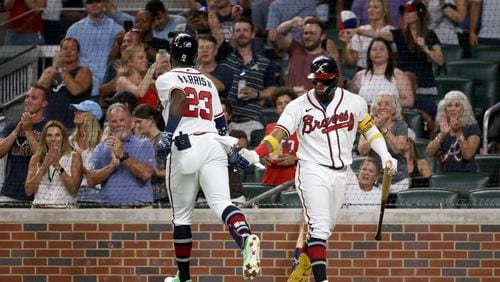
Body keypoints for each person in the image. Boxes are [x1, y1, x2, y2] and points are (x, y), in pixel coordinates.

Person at [237, 55, 397, 282]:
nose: (318, 85)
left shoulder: (355, 102)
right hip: (312, 170)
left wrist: (385, 154)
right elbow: (278, 134)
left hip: (342, 173)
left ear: (335, 79)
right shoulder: (298, 105)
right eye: (315, 80)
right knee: (320, 228)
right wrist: (256, 153)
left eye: (323, 80)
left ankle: (299, 274)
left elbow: (369, 130)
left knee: (323, 230)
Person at [155, 33, 261, 282]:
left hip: (185, 144)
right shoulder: (208, 81)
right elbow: (220, 122)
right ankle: (245, 239)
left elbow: (179, 97)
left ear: (171, 56)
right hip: (214, 143)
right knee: (223, 204)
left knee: (181, 216)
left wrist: (167, 135)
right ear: (194, 56)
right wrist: (229, 150)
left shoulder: (166, 77)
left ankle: (184, 277)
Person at [356, 0, 444, 96]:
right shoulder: (399, 34)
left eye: (410, 11)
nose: (406, 14)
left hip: (426, 85)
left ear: (419, 13)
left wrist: (425, 48)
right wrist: (356, 31)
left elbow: (440, 60)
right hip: (404, 86)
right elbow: (376, 34)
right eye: (404, 12)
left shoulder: (430, 35)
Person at [219, 17, 282, 142]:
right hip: (227, 122)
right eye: (238, 30)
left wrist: (257, 94)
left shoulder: (265, 63)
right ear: (233, 34)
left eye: (245, 30)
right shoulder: (225, 59)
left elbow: (274, 90)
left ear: (252, 34)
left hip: (253, 121)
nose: (242, 33)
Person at [86, 103, 155, 207]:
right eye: (114, 121)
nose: (118, 124)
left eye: (122, 120)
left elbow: (146, 174)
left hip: (139, 209)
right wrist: (111, 166)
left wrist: (123, 155)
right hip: (109, 210)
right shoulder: (100, 148)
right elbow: (90, 181)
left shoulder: (144, 144)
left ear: (130, 122)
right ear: (109, 125)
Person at [0, 84, 49, 203]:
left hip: (37, 194)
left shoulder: (49, 128)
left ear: (44, 103)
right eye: (27, 97)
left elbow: (42, 157)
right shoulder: (12, 125)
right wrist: (16, 131)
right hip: (9, 192)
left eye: (34, 98)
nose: (28, 101)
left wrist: (28, 131)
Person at [66, 0, 123, 97]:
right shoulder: (74, 30)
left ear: (104, 3)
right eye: (90, 2)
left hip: (109, 84)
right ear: (85, 5)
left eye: (98, 1)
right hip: (83, 85)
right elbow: (66, 57)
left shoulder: (117, 29)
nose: (94, 4)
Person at [357, 91, 410, 192]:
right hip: (375, 181)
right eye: (379, 104)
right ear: (374, 108)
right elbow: (362, 150)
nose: (383, 107)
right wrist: (374, 129)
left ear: (394, 109)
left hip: (398, 181)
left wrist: (384, 129)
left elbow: (398, 149)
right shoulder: (367, 125)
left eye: (387, 104)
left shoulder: (401, 125)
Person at [37, 37, 93, 131]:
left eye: (72, 49)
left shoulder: (84, 71)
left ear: (78, 53)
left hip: (73, 127)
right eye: (65, 48)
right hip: (49, 127)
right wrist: (53, 70)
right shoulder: (50, 72)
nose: (68, 51)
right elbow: (37, 93)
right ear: (60, 52)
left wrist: (62, 69)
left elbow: (75, 90)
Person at [25, 120, 83, 208]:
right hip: (39, 209)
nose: (53, 139)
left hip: (64, 209)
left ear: (63, 137)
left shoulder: (74, 157)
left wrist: (57, 165)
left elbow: (73, 189)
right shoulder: (36, 159)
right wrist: (43, 167)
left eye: (57, 135)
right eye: (49, 135)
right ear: (44, 138)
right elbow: (28, 191)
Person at [276, 16, 341, 93]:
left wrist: (309, 95)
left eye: (312, 33)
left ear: (322, 37)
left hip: (314, 103)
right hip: (291, 101)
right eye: (306, 33)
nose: (308, 36)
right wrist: (292, 23)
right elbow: (280, 32)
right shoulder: (294, 48)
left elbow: (335, 88)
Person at [348, 37, 414, 108]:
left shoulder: (399, 75)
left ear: (388, 54)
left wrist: (385, 104)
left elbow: (409, 101)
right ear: (369, 54)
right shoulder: (359, 76)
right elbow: (350, 101)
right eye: (374, 49)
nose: (377, 52)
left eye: (381, 49)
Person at [425, 91, 480, 172]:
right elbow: (429, 153)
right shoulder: (442, 127)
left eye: (457, 105)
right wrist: (442, 134)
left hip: (467, 176)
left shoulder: (472, 127)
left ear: (464, 108)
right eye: (449, 105)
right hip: (444, 176)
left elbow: (468, 155)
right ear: (445, 109)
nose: (452, 109)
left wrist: (459, 133)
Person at [339, 0, 393, 70]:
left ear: (384, 12)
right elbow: (351, 64)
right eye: (369, 7)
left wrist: (357, 31)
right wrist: (345, 44)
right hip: (363, 71)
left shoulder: (390, 30)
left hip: (385, 71)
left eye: (376, 7)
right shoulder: (361, 29)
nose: (371, 10)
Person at [261, 87, 298, 186]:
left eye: (287, 103)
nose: (283, 106)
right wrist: (262, 157)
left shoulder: (302, 128)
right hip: (270, 179)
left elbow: (313, 156)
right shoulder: (270, 127)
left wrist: (294, 160)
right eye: (279, 104)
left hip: (294, 181)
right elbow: (263, 150)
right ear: (276, 109)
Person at [68, 100, 103, 204]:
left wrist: (80, 165)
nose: (75, 113)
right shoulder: (70, 141)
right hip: (72, 191)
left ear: (90, 116)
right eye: (76, 111)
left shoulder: (101, 142)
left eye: (80, 111)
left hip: (94, 191)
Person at [132, 104, 167, 203]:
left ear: (151, 120)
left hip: (163, 198)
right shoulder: (138, 141)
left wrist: (155, 173)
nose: (136, 126)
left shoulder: (165, 141)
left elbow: (176, 170)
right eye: (135, 122)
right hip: (141, 197)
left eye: (139, 122)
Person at [99, 29, 143, 109]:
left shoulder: (146, 65)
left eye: (129, 41)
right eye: (123, 42)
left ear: (139, 46)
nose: (124, 44)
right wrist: (118, 78)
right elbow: (102, 92)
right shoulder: (113, 65)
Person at [115, 45, 168, 110]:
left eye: (146, 57)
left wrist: (167, 71)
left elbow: (165, 98)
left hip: (152, 117)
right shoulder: (122, 80)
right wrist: (152, 68)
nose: (145, 60)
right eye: (141, 58)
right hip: (133, 118)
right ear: (130, 62)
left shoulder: (150, 82)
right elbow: (140, 93)